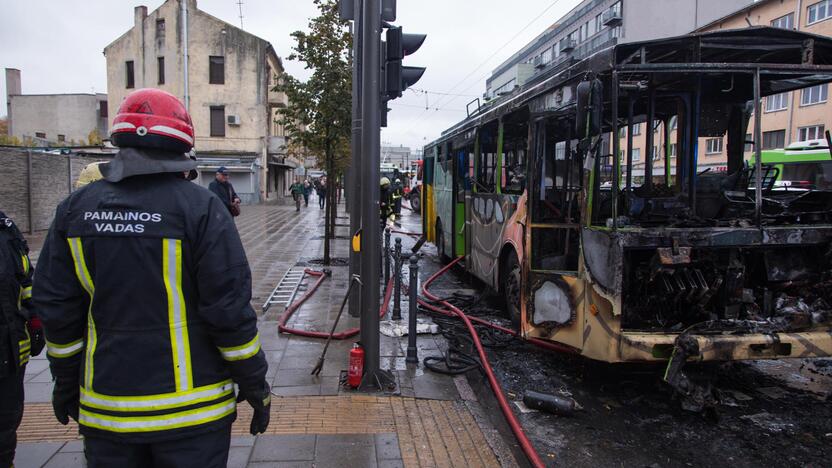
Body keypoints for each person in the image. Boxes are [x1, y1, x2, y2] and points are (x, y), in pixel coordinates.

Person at [32, 88, 270, 468]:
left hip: (107, 410)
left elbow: (57, 308)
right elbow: (227, 308)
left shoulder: (75, 210)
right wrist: (254, 381)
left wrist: (64, 381)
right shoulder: (201, 209)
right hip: (194, 415)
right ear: (183, 146)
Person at [0, 211, 43, 467]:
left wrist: (35, 317)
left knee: (7, 421)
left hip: (11, 348)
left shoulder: (5, 228)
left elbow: (25, 276)